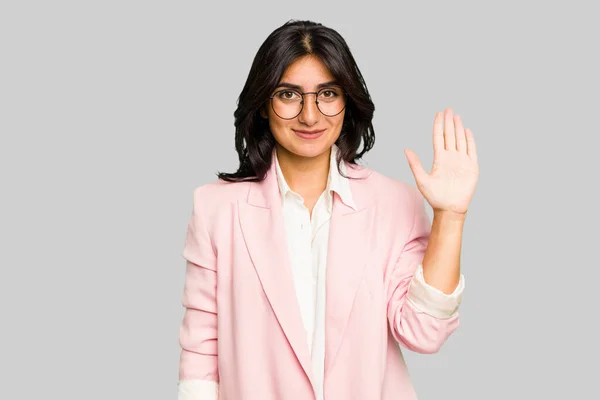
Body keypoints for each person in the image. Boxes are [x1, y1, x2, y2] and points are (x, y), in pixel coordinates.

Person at [177, 19, 479, 400]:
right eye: (289, 95)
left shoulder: (394, 203)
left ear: (346, 101)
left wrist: (450, 217)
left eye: (328, 94)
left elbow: (423, 332)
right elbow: (201, 352)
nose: (309, 115)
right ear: (263, 106)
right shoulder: (215, 209)